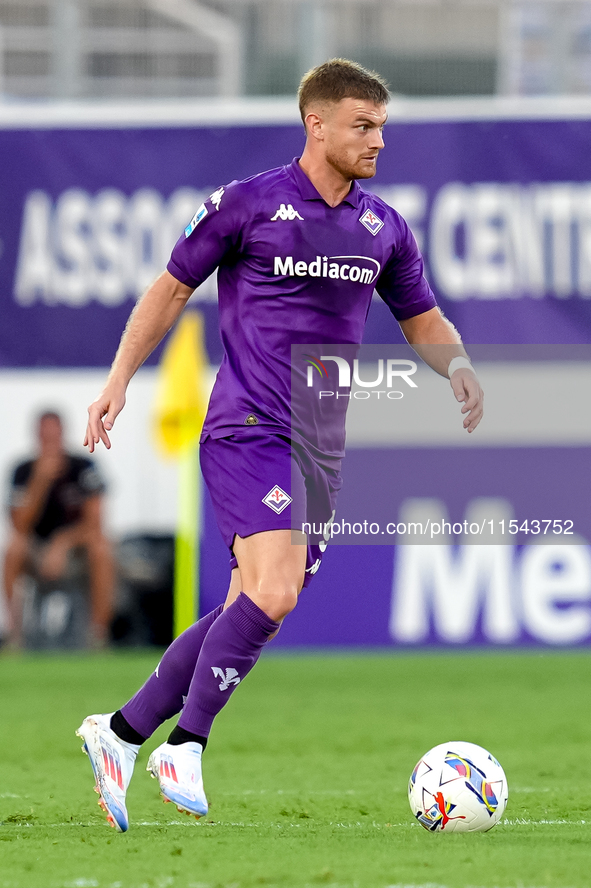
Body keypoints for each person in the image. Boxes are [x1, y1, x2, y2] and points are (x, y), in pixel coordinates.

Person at [77, 59, 483, 833]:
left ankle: (121, 733)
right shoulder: (247, 204)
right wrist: (119, 378)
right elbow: (169, 289)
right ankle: (185, 744)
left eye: (382, 128)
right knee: (274, 590)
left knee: (250, 605)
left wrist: (456, 365)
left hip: (319, 448)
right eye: (363, 126)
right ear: (316, 124)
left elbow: (421, 318)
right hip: (247, 426)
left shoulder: (382, 228)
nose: (377, 141)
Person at [3, 411, 114, 648]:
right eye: (45, 438)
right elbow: (19, 526)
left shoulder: (83, 467)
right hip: (36, 551)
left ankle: (98, 635)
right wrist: (39, 482)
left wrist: (63, 543)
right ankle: (15, 635)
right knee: (13, 549)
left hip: (75, 551)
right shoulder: (22, 471)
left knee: (101, 548)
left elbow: (95, 522)